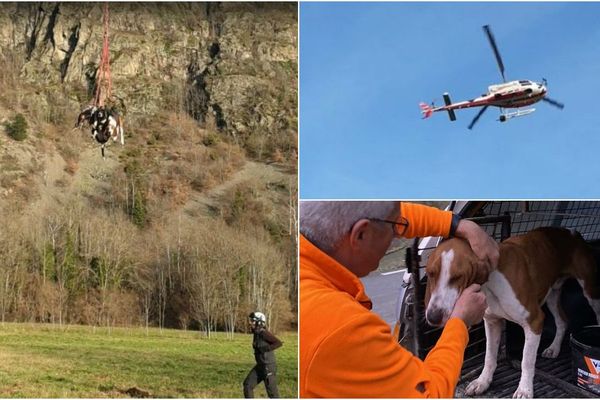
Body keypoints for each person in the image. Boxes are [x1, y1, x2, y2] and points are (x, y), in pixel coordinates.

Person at [300, 201, 499, 398]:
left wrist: (458, 225)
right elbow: (430, 395)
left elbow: (395, 213)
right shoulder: (344, 328)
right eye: (396, 229)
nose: (398, 236)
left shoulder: (307, 253)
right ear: (360, 234)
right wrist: (460, 323)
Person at [243, 311, 283, 398]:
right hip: (260, 366)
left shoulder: (263, 333)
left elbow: (278, 343)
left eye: (253, 321)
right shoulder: (256, 334)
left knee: (273, 395)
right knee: (247, 385)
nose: (250, 323)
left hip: (268, 366)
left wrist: (265, 349)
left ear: (259, 322)